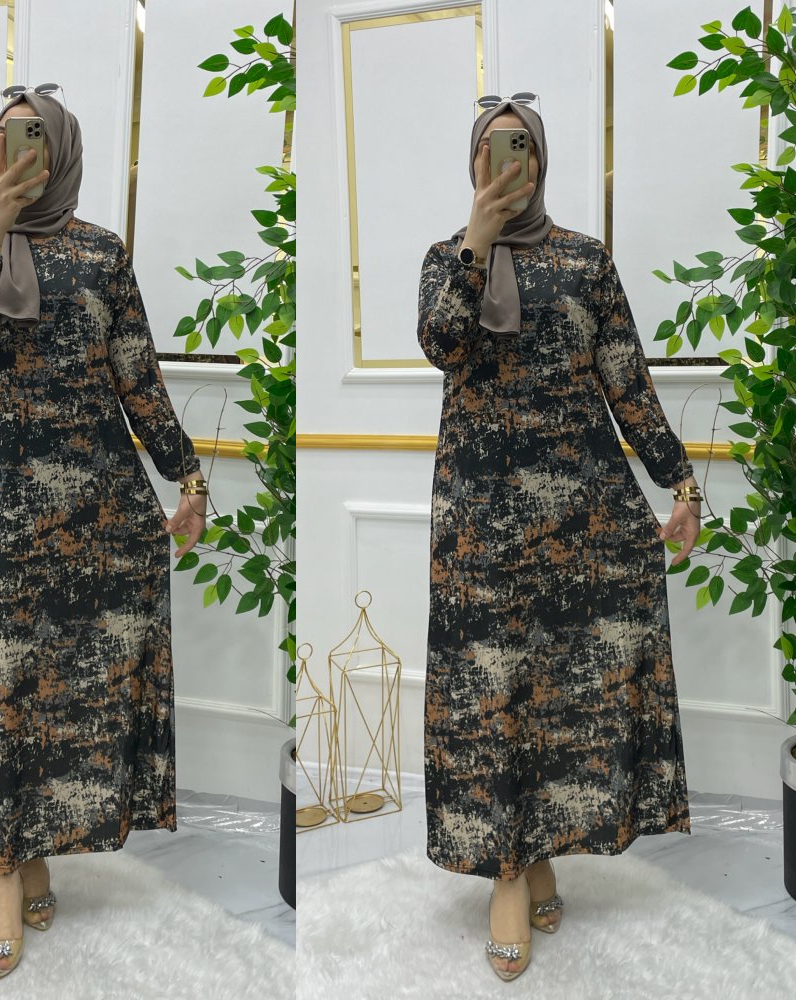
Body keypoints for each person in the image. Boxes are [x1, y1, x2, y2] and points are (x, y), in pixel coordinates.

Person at [417, 96, 702, 982]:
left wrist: (681, 482)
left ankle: (535, 852)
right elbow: (441, 343)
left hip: (584, 517)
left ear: (541, 161)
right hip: (479, 521)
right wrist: (476, 242)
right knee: (492, 695)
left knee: (557, 695)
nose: (509, 164)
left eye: (523, 150)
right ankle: (508, 872)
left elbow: (627, 384)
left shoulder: (586, 261)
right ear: (474, 162)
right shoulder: (444, 259)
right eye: (492, 150)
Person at [0, 86, 208, 978]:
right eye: (5, 137)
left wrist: (188, 475)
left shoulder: (101, 254)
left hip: (93, 514)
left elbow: (136, 377)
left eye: (33, 139)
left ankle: (32, 845)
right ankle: (2, 868)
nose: (17, 152)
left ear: (62, 152)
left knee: (61, 691)